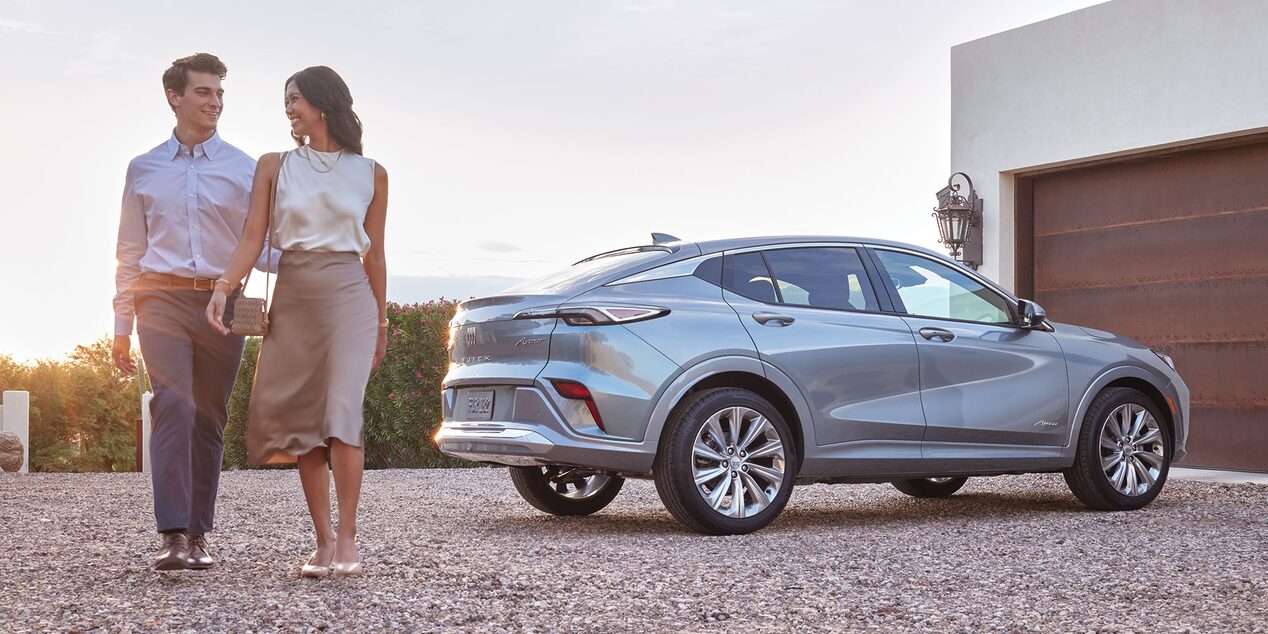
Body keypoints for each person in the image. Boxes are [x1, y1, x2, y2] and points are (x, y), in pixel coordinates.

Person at [206, 65, 388, 578]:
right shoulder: (273, 165)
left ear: (323, 103)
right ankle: (324, 541)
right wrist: (223, 288)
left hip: (351, 296)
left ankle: (350, 537)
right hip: (295, 293)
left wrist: (380, 323)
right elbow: (251, 239)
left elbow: (375, 256)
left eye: (295, 99)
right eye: (286, 101)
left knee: (342, 411)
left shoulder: (372, 172)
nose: (288, 109)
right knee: (308, 423)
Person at [113, 53, 271, 570]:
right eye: (204, 92)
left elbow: (265, 247)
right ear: (174, 97)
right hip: (158, 299)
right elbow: (129, 254)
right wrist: (121, 327)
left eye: (220, 93)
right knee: (173, 406)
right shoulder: (143, 169)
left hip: (223, 304)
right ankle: (174, 534)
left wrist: (321, 262)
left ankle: (199, 533)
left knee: (208, 416)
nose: (215, 102)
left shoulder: (245, 168)